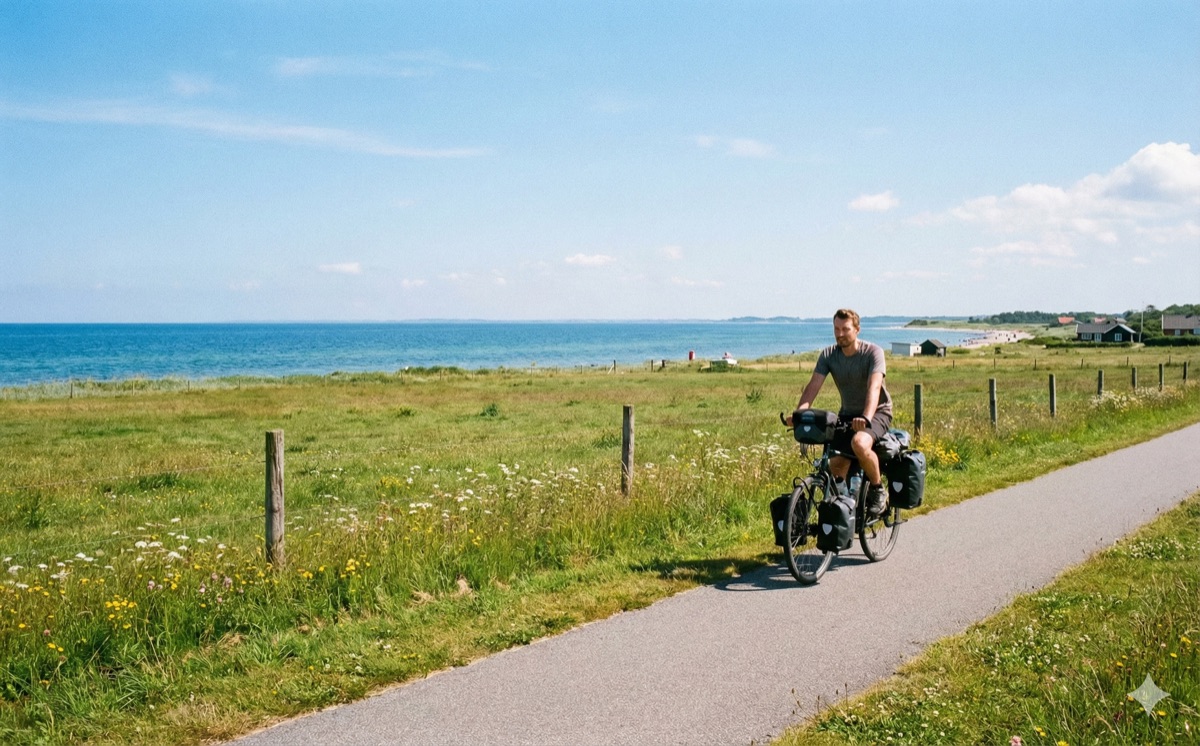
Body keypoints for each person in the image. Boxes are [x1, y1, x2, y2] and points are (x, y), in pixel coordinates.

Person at [785, 309, 892, 516]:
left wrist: (866, 417)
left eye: (845, 329)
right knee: (835, 461)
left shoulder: (873, 352)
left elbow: (874, 388)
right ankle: (845, 503)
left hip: (877, 412)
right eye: (836, 329)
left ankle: (878, 490)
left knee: (860, 443)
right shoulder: (828, 355)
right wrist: (799, 414)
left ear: (857, 329)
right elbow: (813, 386)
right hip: (847, 414)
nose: (840, 334)